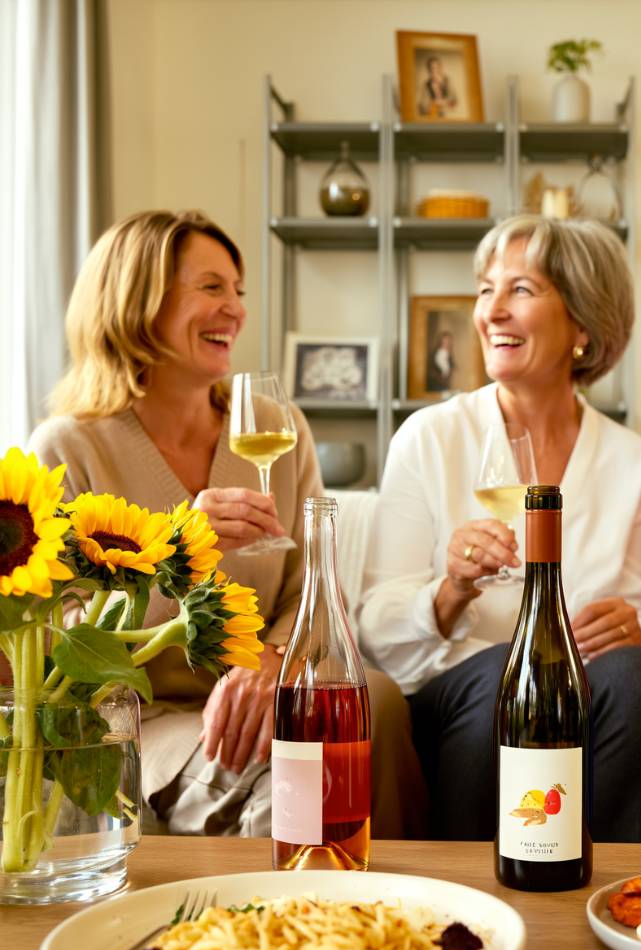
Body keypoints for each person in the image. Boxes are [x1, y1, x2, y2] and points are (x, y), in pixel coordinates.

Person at [29, 209, 427, 838]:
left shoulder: (275, 425)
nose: (236, 310)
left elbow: (311, 585)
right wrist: (175, 553)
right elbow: (65, 642)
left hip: (276, 682)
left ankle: (390, 909)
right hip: (149, 718)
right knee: (297, 766)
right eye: (212, 287)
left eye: (238, 292)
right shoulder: (69, 449)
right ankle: (290, 928)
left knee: (372, 696)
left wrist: (273, 663)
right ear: (138, 299)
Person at [358, 215, 641, 841]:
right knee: (507, 671)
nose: (491, 312)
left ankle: (624, 898)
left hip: (584, 701)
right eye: (486, 290)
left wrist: (637, 630)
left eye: (521, 290)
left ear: (583, 327)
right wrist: (450, 589)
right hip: (459, 705)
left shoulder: (630, 460)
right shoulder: (431, 438)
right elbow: (374, 631)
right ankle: (477, 907)